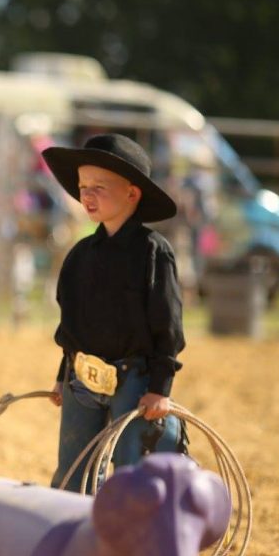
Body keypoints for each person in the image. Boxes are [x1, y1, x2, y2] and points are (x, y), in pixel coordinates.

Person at [42, 133, 187, 492]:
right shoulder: (79, 256)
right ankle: (78, 539)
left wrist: (159, 387)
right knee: (73, 471)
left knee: (134, 474)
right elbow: (71, 323)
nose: (87, 195)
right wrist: (64, 374)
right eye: (83, 186)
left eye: (99, 187)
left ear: (132, 193)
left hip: (135, 378)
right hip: (82, 375)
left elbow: (166, 323)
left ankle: (134, 539)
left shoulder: (154, 252)